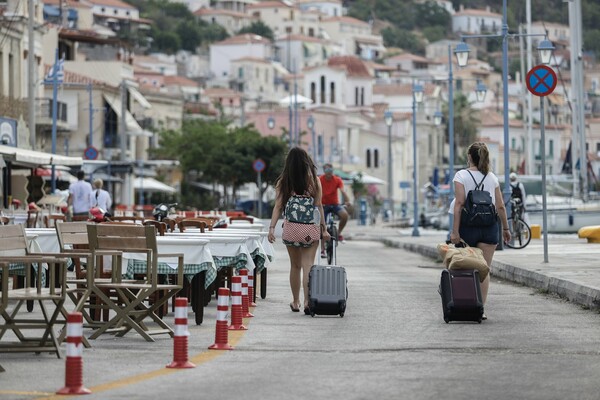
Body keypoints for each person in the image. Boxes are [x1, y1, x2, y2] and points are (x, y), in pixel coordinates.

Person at [449, 142, 511, 320]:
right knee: (484, 270)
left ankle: (466, 304)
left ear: (469, 157)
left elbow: (459, 204)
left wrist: (455, 232)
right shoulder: (491, 177)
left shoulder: (461, 175)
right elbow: (500, 206)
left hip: (468, 227)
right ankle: (480, 309)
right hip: (489, 227)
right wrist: (506, 228)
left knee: (465, 268)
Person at [268, 147, 330, 315]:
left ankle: (295, 302)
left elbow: (278, 206)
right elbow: (318, 206)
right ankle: (308, 301)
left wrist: (272, 228)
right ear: (306, 162)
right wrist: (324, 229)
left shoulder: (284, 181)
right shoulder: (315, 181)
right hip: (310, 229)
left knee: (295, 266)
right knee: (308, 265)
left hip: (292, 229)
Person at [319, 163, 351, 251]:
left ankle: (338, 233)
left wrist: (347, 201)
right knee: (322, 224)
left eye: (330, 170)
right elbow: (316, 191)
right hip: (323, 205)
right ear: (324, 171)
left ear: (332, 170)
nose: (329, 172)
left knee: (345, 215)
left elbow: (343, 191)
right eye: (327, 170)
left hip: (335, 204)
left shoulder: (337, 179)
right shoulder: (320, 179)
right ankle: (322, 249)